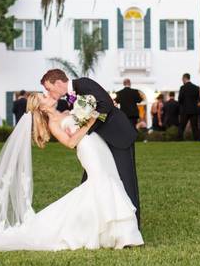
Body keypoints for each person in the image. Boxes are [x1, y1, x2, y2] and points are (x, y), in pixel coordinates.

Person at [0, 92, 143, 254]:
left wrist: (94, 111)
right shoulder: (54, 123)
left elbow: (89, 119)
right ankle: (120, 234)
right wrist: (90, 123)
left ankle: (115, 232)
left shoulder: (65, 111)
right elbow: (71, 143)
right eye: (44, 98)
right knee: (101, 183)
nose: (49, 96)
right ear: (42, 108)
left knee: (111, 180)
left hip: (99, 146)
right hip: (88, 151)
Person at [41, 69, 141, 227]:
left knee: (125, 179)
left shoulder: (84, 84)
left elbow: (106, 105)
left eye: (48, 88)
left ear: (58, 83)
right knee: (92, 180)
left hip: (118, 135)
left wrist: (88, 122)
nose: (48, 92)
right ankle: (91, 222)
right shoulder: (70, 98)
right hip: (98, 143)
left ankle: (132, 224)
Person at [177, 73, 200, 141]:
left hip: (185, 110)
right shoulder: (196, 88)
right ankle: (197, 140)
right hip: (194, 110)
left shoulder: (182, 88)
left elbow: (180, 99)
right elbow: (198, 99)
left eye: (182, 79)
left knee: (182, 127)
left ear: (184, 78)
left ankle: (179, 140)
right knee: (195, 127)